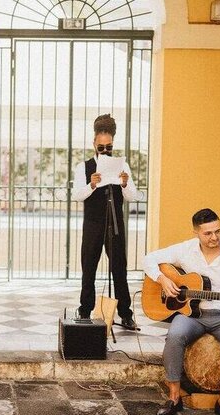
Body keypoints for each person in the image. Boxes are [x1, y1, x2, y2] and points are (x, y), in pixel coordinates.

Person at [143, 208, 220, 415]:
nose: (214, 238)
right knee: (174, 336)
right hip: (192, 315)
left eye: (218, 231)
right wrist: (163, 280)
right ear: (196, 233)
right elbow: (149, 259)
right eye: (208, 233)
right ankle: (174, 398)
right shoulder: (185, 249)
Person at [72, 114, 139, 329]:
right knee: (89, 267)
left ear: (112, 145)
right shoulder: (83, 167)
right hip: (93, 223)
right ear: (94, 144)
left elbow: (132, 197)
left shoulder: (122, 165)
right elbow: (77, 195)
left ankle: (125, 313)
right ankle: (85, 309)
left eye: (108, 147)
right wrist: (91, 185)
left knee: (119, 268)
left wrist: (125, 183)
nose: (104, 151)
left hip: (115, 223)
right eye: (101, 148)